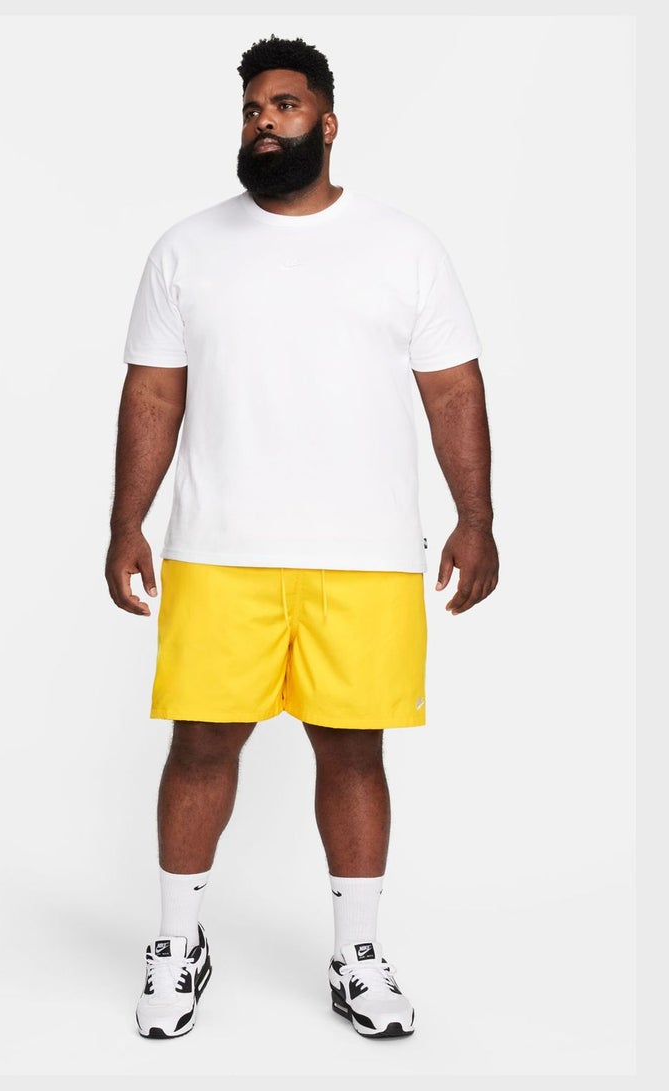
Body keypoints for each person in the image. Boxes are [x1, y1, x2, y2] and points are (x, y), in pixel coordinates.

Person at [106, 33, 499, 1041]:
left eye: (283, 106)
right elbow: (153, 392)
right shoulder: (187, 248)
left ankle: (355, 955)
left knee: (353, 749)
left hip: (364, 552)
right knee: (200, 743)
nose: (263, 123)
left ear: (327, 121)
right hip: (216, 547)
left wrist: (476, 517)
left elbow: (452, 388)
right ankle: (177, 942)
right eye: (250, 109)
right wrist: (124, 521)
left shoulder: (402, 247)